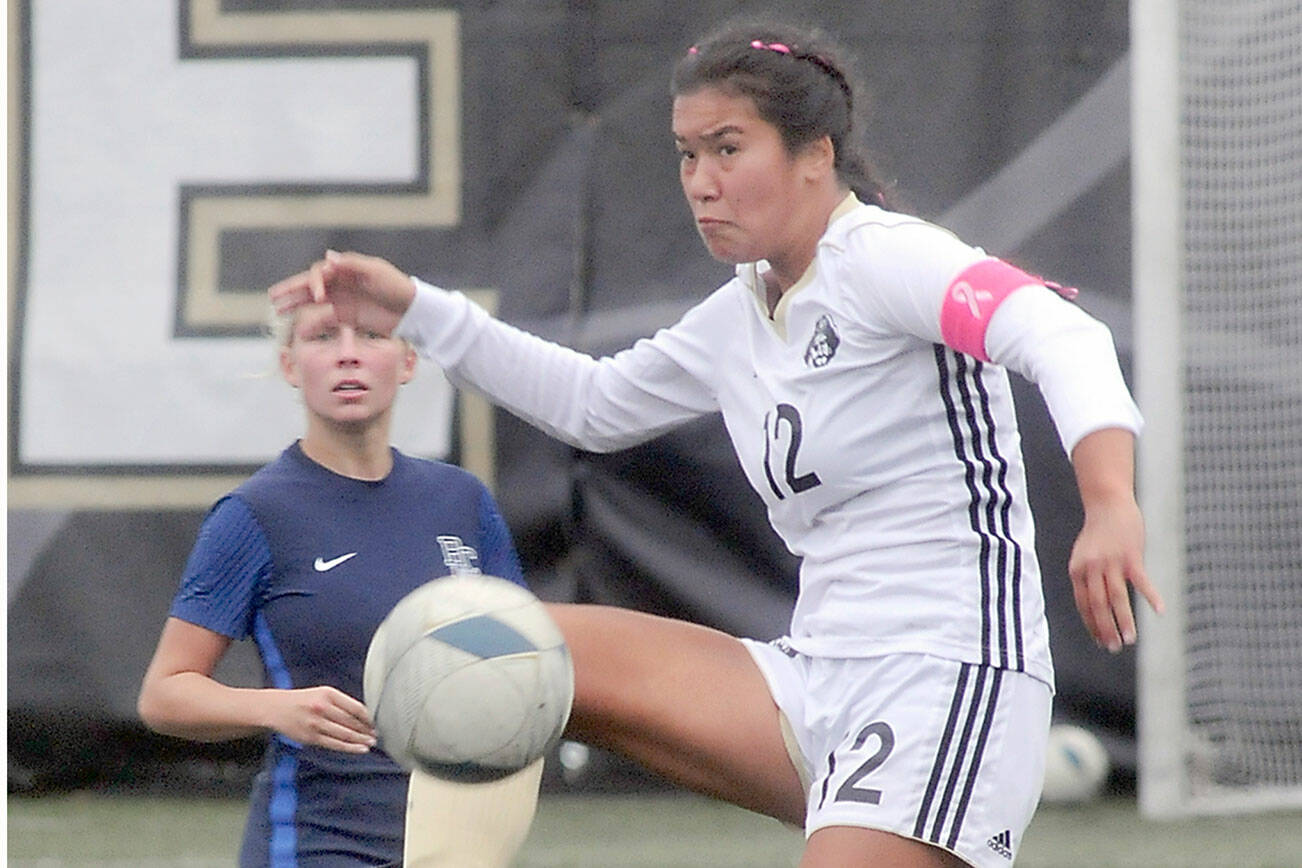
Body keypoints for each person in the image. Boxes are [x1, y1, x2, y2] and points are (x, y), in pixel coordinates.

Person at [268, 18, 1164, 868]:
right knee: (483, 645)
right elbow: (593, 404)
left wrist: (1111, 502)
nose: (700, 179)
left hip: (947, 681)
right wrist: (415, 309)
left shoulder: (885, 259)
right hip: (813, 680)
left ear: (816, 155)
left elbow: (1061, 335)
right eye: (688, 154)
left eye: (728, 148)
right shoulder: (745, 308)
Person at [137, 298, 538, 867]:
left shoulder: (462, 502)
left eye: (372, 335)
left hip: (455, 845)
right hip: (318, 844)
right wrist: (277, 708)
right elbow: (164, 694)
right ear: (289, 365)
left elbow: (523, 665)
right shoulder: (254, 514)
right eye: (323, 337)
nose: (348, 356)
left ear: (406, 360)